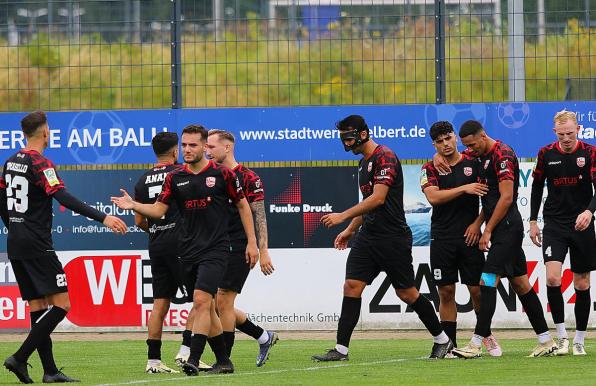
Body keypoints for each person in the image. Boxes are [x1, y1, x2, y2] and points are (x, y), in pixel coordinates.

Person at [111, 124, 258, 376]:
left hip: (216, 249)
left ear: (204, 147)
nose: (187, 149)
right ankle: (223, 360)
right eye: (184, 145)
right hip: (187, 251)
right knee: (206, 307)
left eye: (193, 145)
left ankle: (193, 357)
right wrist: (134, 204)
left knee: (202, 301)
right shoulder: (174, 178)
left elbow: (244, 207)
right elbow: (158, 211)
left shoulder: (223, 175)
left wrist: (252, 242)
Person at [311, 115, 453, 362]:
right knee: (351, 286)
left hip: (392, 238)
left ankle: (442, 340)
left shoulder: (384, 156)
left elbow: (378, 199)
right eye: (343, 139)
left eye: (349, 138)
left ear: (363, 134)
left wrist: (343, 217)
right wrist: (351, 230)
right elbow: (367, 205)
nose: (346, 144)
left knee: (407, 293)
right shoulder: (363, 163)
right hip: (368, 237)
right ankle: (341, 350)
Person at [1, 111, 128, 384]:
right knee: (62, 305)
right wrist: (103, 216)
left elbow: (2, 199)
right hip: (37, 243)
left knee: (38, 308)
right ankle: (20, 357)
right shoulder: (40, 162)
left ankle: (49, 371)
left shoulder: (10, 162)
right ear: (45, 132)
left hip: (17, 242)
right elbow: (61, 196)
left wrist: (14, 228)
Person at [447, 120, 557, 358]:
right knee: (521, 284)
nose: (470, 150)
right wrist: (439, 158)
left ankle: (476, 344)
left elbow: (506, 198)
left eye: (473, 145)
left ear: (483, 136)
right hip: (500, 227)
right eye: (467, 145)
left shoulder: (503, 155)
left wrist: (486, 231)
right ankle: (546, 341)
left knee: (487, 280)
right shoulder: (479, 153)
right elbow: (459, 156)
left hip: (507, 227)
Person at [420, 121, 502, 356]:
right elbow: (433, 198)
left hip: (470, 237)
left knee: (477, 290)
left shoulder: (474, 163)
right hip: (442, 238)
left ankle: (484, 335)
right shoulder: (430, 168)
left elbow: (490, 200)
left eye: (448, 138)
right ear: (434, 144)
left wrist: (478, 224)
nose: (445, 144)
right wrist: (464, 189)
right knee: (446, 292)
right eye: (439, 142)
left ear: (455, 137)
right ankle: (450, 344)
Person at [134, 132, 210, 373]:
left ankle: (153, 361)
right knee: (202, 300)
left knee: (159, 304)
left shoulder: (142, 180)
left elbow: (139, 221)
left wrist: (158, 229)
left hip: (157, 244)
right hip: (183, 244)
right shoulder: (180, 174)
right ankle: (186, 352)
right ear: (175, 151)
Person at [205, 129, 278, 366]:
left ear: (227, 148)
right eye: (205, 147)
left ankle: (223, 360)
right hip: (213, 246)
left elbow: (259, 215)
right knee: (215, 304)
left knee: (224, 301)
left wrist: (261, 248)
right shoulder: (210, 175)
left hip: (239, 246)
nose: (207, 151)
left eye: (211, 147)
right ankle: (263, 336)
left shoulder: (249, 178)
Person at [529, 110, 596, 356]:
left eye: (570, 133)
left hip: (582, 225)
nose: (566, 138)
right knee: (553, 279)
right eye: (561, 134)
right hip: (555, 224)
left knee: (582, 283)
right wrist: (533, 221)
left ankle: (579, 339)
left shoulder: (589, 153)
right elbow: (536, 187)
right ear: (554, 133)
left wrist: (589, 212)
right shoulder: (546, 154)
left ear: (578, 130)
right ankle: (561, 337)